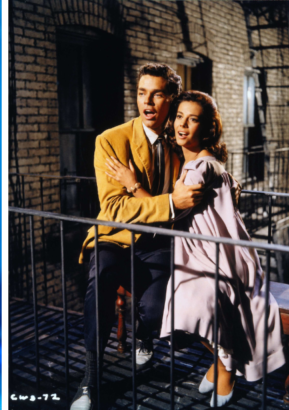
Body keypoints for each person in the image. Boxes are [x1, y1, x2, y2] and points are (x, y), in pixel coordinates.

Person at [106, 90, 285, 407]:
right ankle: (219, 363)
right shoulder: (206, 162)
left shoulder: (196, 169)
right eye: (178, 117)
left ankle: (226, 363)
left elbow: (167, 214)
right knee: (185, 302)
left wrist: (131, 183)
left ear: (207, 128)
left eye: (193, 119)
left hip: (211, 253)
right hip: (224, 249)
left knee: (187, 306)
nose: (182, 125)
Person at [70, 64, 205, 410]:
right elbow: (114, 207)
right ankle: (89, 380)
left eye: (157, 94)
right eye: (142, 93)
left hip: (158, 241)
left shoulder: (179, 142)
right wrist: (169, 204)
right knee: (99, 282)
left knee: (156, 309)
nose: (147, 102)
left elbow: (198, 183)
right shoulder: (111, 141)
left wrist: (137, 188)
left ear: (170, 99)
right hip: (115, 237)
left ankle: (144, 335)